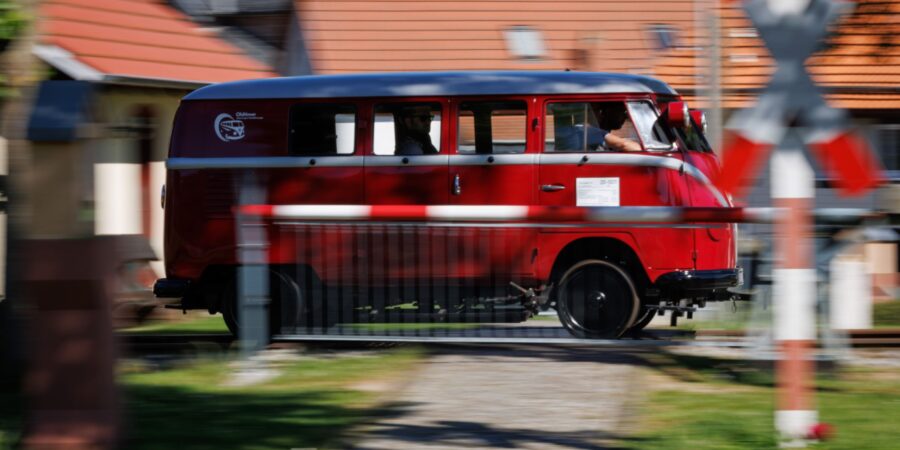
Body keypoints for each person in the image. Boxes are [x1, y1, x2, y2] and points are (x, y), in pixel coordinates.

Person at [554, 103, 642, 152]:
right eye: (621, 112)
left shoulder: (584, 130)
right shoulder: (586, 131)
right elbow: (626, 145)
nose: (625, 117)